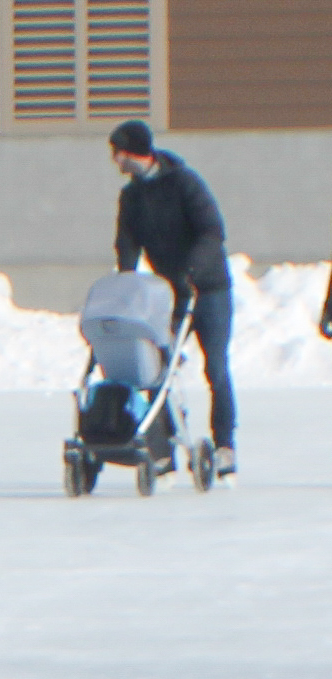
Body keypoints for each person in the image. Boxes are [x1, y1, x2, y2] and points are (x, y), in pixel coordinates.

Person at [109, 120, 236, 476]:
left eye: (119, 152)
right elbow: (127, 242)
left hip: (207, 289)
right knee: (156, 368)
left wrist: (192, 270)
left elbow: (212, 232)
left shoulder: (184, 183)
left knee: (216, 367)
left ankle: (225, 445)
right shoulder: (131, 196)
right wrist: (126, 278)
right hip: (168, 295)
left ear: (136, 152)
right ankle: (163, 447)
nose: (116, 161)